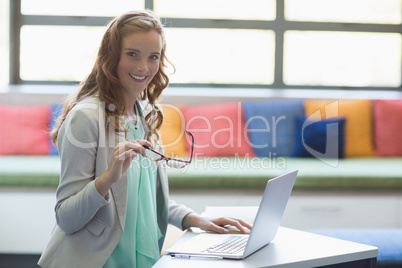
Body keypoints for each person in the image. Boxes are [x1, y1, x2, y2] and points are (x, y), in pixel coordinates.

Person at [38, 10, 251, 268]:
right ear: (111, 56)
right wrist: (107, 178)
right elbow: (66, 217)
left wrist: (193, 218)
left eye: (153, 57)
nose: (143, 67)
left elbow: (145, 200)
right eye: (132, 54)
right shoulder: (87, 117)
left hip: (141, 258)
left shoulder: (145, 114)